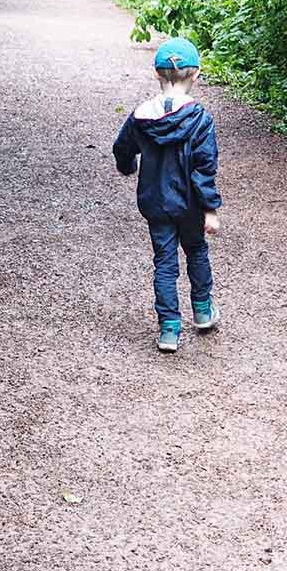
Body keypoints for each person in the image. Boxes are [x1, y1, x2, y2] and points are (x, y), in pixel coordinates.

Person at [112, 37, 221, 353]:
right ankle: (202, 311)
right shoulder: (200, 118)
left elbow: (122, 148)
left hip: (156, 202)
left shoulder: (142, 115)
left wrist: (128, 164)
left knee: (164, 262)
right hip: (189, 204)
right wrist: (210, 209)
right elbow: (204, 167)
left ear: (157, 75)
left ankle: (169, 329)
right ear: (196, 75)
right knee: (197, 251)